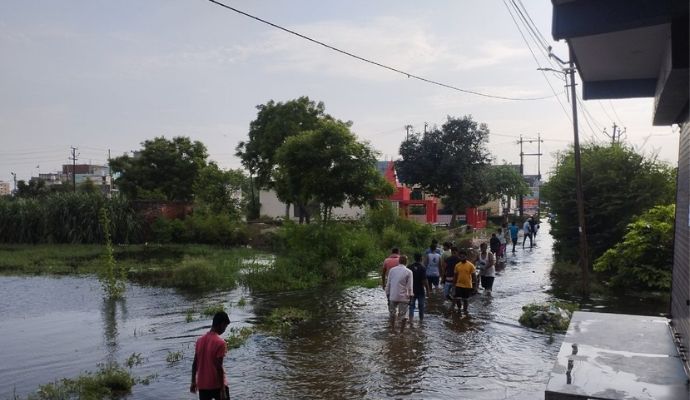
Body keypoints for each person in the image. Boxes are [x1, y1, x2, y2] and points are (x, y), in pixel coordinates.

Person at [191, 311, 230, 400]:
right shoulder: (220, 342)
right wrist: (223, 390)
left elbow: (194, 364)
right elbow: (219, 367)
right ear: (222, 324)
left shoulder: (199, 341)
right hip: (217, 385)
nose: (224, 330)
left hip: (203, 385)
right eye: (225, 327)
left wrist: (193, 381)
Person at [385, 255, 413, 329]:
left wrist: (387, 294)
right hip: (404, 297)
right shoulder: (409, 272)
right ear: (407, 262)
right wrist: (410, 296)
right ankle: (401, 332)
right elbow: (410, 287)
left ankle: (393, 329)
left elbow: (388, 284)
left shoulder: (392, 270)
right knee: (403, 315)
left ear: (399, 261)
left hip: (393, 296)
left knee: (392, 313)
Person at [408, 253, 431, 323]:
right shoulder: (422, 267)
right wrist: (428, 290)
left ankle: (411, 321)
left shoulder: (409, 267)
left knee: (411, 306)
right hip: (420, 290)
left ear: (414, 258)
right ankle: (421, 321)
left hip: (411, 290)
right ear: (421, 258)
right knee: (421, 307)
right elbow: (424, 280)